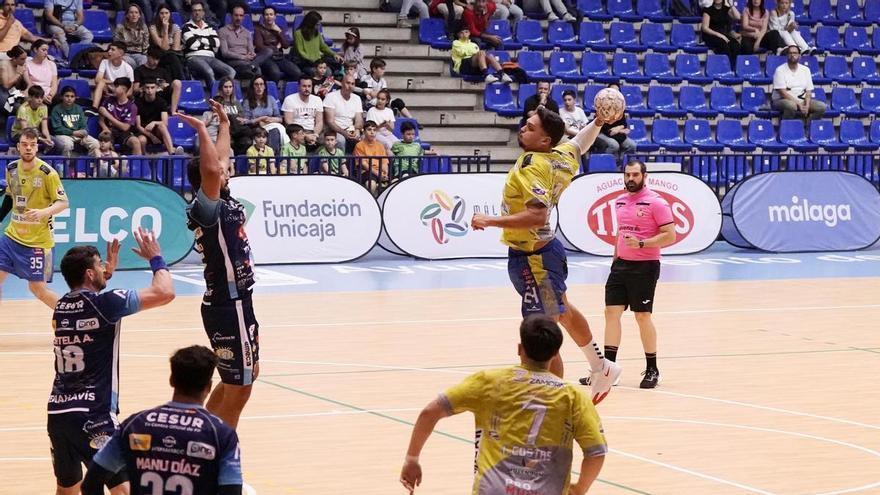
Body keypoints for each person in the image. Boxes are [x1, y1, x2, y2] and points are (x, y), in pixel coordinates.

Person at [470, 107, 622, 404]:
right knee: (560, 311)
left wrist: (491, 221)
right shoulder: (560, 156)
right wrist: (599, 122)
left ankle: (550, 399)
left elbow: (537, 215)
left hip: (534, 261)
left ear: (544, 140)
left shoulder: (532, 164)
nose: (523, 129)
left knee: (542, 331)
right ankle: (600, 366)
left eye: (530, 127)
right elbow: (580, 143)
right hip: (542, 255)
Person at [400, 315, 607, 495]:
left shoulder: (490, 382)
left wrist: (412, 459)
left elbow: (429, 412)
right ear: (555, 355)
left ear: (520, 349)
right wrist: (580, 488)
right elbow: (596, 452)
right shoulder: (573, 397)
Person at [46, 230, 176, 495]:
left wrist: (106, 275)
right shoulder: (105, 303)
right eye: (99, 265)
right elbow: (165, 292)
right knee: (125, 489)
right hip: (94, 414)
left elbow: (87, 301)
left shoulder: (61, 307)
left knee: (67, 490)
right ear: (90, 274)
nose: (103, 267)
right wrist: (156, 259)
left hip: (58, 414)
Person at [176, 100, 260, 429]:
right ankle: (220, 453)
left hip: (239, 301)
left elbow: (219, 162)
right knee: (240, 388)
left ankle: (201, 431)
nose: (225, 169)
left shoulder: (221, 195)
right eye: (220, 170)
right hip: (228, 303)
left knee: (242, 376)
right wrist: (200, 131)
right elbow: (212, 168)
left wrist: (223, 124)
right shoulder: (204, 207)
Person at [80, 345, 243, 495]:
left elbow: (91, 483)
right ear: (208, 386)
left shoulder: (135, 424)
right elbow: (232, 491)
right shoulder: (221, 434)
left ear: (171, 380)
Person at [598, 160, 676, 389]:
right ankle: (609, 370)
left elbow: (670, 235)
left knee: (642, 316)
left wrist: (643, 243)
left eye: (635, 174)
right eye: (627, 175)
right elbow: (620, 234)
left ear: (644, 176)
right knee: (611, 312)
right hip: (621, 265)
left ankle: (653, 369)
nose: (630, 178)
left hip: (645, 266)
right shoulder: (620, 201)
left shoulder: (656, 202)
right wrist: (615, 259)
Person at [0, 128, 68, 307]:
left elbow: (63, 202)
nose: (28, 148)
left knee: (38, 290)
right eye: (24, 145)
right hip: (12, 237)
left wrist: (44, 212)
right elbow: (10, 196)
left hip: (38, 243)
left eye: (32, 145)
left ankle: (72, 314)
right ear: (18, 147)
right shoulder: (12, 169)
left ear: (37, 147)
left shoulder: (48, 173)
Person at [182, 0, 236, 91]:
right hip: (194, 58)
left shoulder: (209, 27)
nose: (197, 13)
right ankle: (215, 99)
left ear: (203, 12)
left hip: (211, 57)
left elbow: (217, 43)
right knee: (209, 71)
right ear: (191, 13)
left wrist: (199, 38)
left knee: (231, 72)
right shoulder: (186, 27)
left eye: (199, 10)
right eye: (195, 10)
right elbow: (193, 45)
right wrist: (208, 41)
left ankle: (223, 95)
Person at [771, 44, 825, 122]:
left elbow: (808, 91)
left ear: (799, 55)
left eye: (795, 53)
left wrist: (806, 105)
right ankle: (786, 127)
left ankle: (805, 125)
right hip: (782, 100)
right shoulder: (780, 70)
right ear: (787, 55)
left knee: (821, 107)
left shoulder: (806, 70)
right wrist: (798, 104)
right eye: (790, 53)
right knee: (791, 106)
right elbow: (783, 93)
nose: (793, 55)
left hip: (802, 100)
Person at [253, 6, 301, 84]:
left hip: (279, 58)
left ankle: (284, 89)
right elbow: (259, 47)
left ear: (275, 16)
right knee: (275, 73)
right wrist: (276, 48)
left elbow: (286, 45)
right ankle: (270, 90)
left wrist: (279, 32)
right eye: (266, 14)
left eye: (271, 14)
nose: (269, 17)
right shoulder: (258, 29)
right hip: (267, 58)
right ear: (263, 17)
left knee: (297, 72)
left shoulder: (278, 28)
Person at [135, 78, 183, 155]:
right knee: (141, 140)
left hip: (157, 131)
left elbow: (165, 122)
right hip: (144, 131)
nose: (149, 90)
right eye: (147, 88)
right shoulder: (137, 103)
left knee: (162, 126)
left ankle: (171, 152)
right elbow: (138, 126)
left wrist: (154, 122)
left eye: (152, 87)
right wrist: (152, 137)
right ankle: (144, 161)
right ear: (143, 88)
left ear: (157, 88)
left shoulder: (162, 102)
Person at [218, 4, 265, 81]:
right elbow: (225, 53)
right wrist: (243, 57)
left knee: (267, 52)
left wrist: (252, 54)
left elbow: (251, 50)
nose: (238, 18)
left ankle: (250, 69)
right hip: (232, 61)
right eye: (236, 15)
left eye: (241, 15)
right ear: (231, 16)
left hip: (247, 61)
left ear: (243, 17)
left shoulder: (247, 33)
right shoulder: (223, 31)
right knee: (256, 68)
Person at [50, 85, 99, 157]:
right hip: (63, 135)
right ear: (62, 97)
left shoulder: (78, 108)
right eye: (67, 96)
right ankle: (65, 166)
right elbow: (57, 128)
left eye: (72, 96)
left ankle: (89, 165)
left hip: (78, 134)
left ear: (75, 98)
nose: (69, 98)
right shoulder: (56, 109)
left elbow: (83, 124)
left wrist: (84, 132)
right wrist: (73, 132)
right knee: (67, 145)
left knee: (95, 143)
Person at [98, 77, 142, 155]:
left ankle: (136, 166)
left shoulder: (132, 107)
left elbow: (125, 127)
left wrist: (107, 115)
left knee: (135, 142)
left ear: (124, 89)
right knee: (105, 142)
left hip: (123, 133)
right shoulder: (108, 100)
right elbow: (101, 121)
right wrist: (105, 128)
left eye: (116, 87)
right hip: (109, 130)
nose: (113, 89)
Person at [133, 46, 182, 114]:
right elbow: (135, 89)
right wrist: (146, 87)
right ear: (148, 56)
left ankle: (173, 111)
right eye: (153, 59)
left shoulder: (162, 70)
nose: (155, 62)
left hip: (162, 94)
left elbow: (168, 84)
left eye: (157, 59)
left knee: (177, 82)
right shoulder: (139, 70)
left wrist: (161, 85)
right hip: (147, 94)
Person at [292, 10, 342, 76]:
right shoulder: (298, 33)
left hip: (317, 63)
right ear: (311, 23)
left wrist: (334, 54)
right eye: (317, 24)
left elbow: (323, 46)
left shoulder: (316, 33)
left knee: (328, 71)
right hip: (305, 63)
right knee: (316, 72)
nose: (319, 27)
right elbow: (301, 52)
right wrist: (314, 61)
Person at [243, 74, 284, 152]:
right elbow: (246, 121)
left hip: (270, 125)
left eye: (261, 84)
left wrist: (271, 119)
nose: (259, 87)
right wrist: (259, 119)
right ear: (253, 87)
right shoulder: (247, 102)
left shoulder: (271, 99)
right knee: (267, 132)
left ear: (265, 86)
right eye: (256, 84)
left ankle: (272, 158)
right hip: (255, 127)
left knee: (275, 131)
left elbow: (280, 118)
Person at [324, 73, 364, 153]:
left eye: (352, 84)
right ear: (342, 83)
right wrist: (344, 133)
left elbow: (359, 119)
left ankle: (359, 165)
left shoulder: (357, 98)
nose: (350, 86)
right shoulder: (331, 96)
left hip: (350, 129)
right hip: (334, 130)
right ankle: (341, 164)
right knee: (340, 140)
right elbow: (330, 122)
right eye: (348, 83)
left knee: (363, 138)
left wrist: (356, 130)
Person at [148, 4, 186, 81]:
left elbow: (176, 48)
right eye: (162, 13)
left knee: (172, 60)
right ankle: (182, 82)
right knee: (172, 57)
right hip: (157, 55)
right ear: (158, 15)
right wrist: (165, 30)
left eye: (166, 13)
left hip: (172, 57)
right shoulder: (153, 28)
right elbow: (164, 48)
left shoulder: (175, 27)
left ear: (170, 14)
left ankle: (174, 85)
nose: (164, 15)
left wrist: (166, 45)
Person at [92, 42, 134, 110]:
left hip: (121, 92)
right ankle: (94, 108)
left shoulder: (128, 68)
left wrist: (118, 95)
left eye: (112, 49)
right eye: (109, 49)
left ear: (120, 53)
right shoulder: (104, 62)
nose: (109, 51)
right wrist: (114, 82)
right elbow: (97, 79)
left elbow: (130, 91)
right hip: (108, 89)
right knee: (101, 83)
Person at [701, 0, 742, 66]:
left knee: (735, 45)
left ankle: (734, 68)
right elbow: (705, 28)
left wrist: (731, 5)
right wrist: (719, 35)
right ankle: (726, 67)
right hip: (711, 35)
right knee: (724, 45)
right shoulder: (708, 10)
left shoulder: (726, 9)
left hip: (723, 35)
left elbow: (738, 17)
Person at [354, 120, 389, 195]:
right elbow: (364, 164)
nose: (372, 132)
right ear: (364, 132)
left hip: (380, 172)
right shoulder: (359, 145)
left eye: (374, 130)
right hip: (366, 172)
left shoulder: (380, 145)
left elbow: (384, 162)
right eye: (369, 129)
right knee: (371, 184)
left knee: (395, 182)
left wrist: (385, 172)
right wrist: (378, 174)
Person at [25, 40, 58, 105]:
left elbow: (54, 84)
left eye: (47, 50)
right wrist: (41, 97)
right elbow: (30, 84)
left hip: (49, 95)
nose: (46, 53)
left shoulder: (52, 64)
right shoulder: (27, 64)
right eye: (43, 50)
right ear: (35, 50)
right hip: (34, 94)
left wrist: (50, 96)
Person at [366, 89, 398, 153]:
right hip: (376, 134)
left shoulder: (389, 111)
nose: (380, 101)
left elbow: (392, 129)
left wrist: (388, 126)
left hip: (388, 134)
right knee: (388, 144)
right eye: (378, 98)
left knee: (398, 145)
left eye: (383, 99)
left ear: (387, 101)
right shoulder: (371, 110)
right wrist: (381, 125)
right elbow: (369, 129)